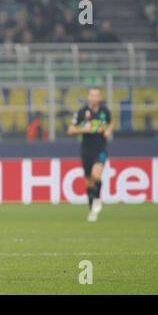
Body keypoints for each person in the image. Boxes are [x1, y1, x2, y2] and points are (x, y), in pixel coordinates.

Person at [68, 87, 114, 222]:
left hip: (100, 149)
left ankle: (98, 198)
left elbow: (111, 123)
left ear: (100, 97)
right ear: (88, 97)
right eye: (92, 95)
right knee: (89, 182)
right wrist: (83, 129)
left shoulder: (105, 111)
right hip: (86, 150)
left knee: (96, 174)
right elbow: (70, 130)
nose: (94, 98)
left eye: (96, 95)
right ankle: (92, 210)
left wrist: (108, 130)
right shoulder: (82, 112)